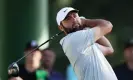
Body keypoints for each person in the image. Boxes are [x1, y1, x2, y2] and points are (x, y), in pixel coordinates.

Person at [56, 7, 118, 80]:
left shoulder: (86, 43)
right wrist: (85, 22)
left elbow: (109, 49)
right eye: (68, 18)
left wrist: (87, 27)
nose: (74, 19)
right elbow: (108, 25)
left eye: (75, 15)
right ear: (61, 27)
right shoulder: (73, 39)